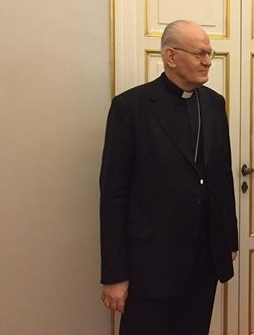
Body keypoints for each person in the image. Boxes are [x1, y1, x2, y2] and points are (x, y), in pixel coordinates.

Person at [99, 20, 238, 334]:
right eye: (200, 53)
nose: (208, 61)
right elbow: (113, 195)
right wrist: (114, 274)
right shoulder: (130, 108)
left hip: (203, 259)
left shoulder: (214, 103)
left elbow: (222, 176)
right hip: (151, 263)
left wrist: (227, 239)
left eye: (210, 53)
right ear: (171, 56)